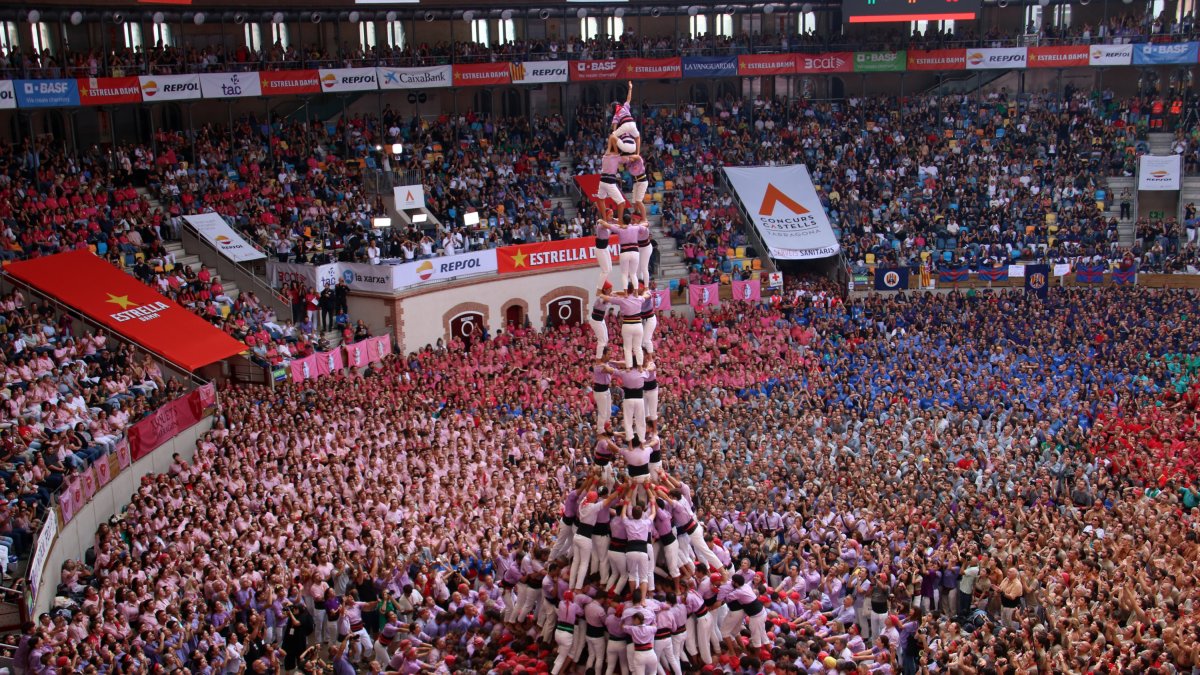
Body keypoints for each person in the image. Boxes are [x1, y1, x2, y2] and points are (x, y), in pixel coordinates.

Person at [281, 602, 314, 672]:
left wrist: (290, 614)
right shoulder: (293, 614)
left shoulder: (304, 616)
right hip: (290, 641)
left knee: (300, 658)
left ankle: (301, 672)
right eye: (294, 609)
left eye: (296, 609)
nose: (294, 610)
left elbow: (296, 623)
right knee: (288, 659)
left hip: (299, 641)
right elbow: (283, 613)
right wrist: (287, 611)